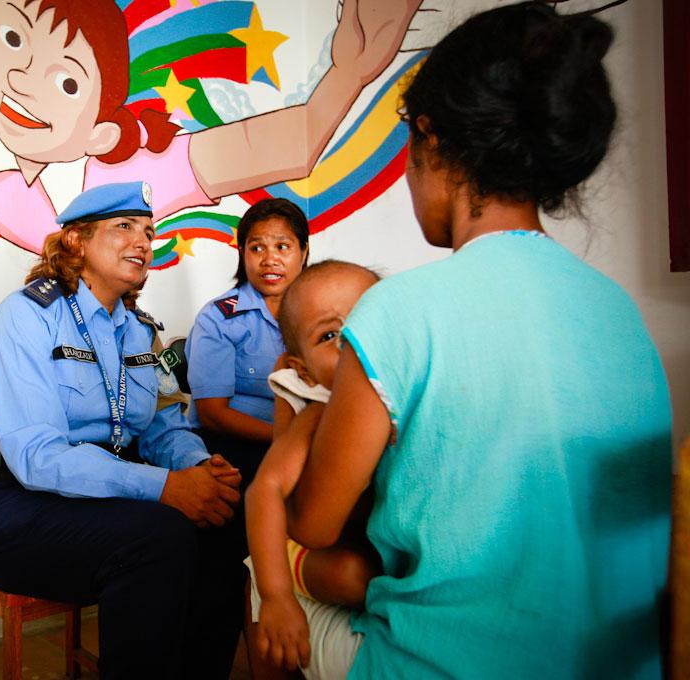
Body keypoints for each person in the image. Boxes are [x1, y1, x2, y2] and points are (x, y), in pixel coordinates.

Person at [280, 3, 672, 678]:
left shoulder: (397, 312)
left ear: (429, 139)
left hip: (441, 665)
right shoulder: (618, 314)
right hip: (616, 664)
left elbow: (314, 521)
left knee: (275, 572)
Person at [0, 181, 247, 680]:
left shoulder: (139, 329)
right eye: (124, 227)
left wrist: (196, 467)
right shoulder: (27, 316)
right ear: (76, 241)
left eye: (148, 232)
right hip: (3, 503)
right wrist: (165, 488)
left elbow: (159, 426)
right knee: (158, 538)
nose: (143, 242)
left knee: (220, 529)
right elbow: (37, 456)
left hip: (92, 502)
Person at [0, 0, 421, 253]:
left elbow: (288, 146)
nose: (22, 80)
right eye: (12, 39)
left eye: (67, 82)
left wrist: (351, 70)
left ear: (99, 125)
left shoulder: (132, 173)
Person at [244, 261, 382, 680]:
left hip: (371, 541)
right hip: (312, 548)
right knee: (354, 578)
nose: (353, 343)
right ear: (302, 370)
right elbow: (264, 489)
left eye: (366, 319)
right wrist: (276, 596)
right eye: (330, 336)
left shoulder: (415, 395)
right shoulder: (322, 410)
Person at [185, 198, 310, 488]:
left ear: (303, 252)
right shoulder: (218, 318)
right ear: (242, 253)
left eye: (282, 246)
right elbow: (212, 415)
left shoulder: (323, 314)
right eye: (257, 248)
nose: (270, 259)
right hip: (232, 444)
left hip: (303, 439)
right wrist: (287, 438)